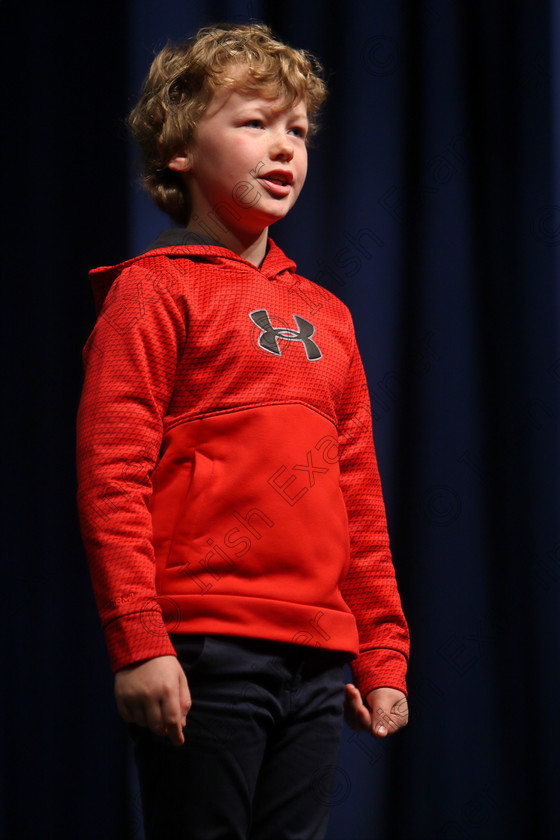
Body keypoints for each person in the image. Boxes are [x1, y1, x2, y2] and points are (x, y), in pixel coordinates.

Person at [76, 21, 410, 840]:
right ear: (181, 148)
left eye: (297, 129)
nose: (285, 145)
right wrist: (139, 641)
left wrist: (381, 650)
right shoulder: (153, 293)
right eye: (254, 123)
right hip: (205, 650)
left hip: (317, 657)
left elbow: (358, 497)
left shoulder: (327, 315)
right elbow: (111, 473)